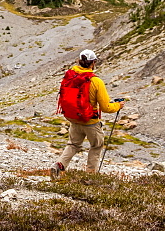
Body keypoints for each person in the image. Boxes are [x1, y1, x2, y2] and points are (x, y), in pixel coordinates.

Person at [49, 49, 124, 180]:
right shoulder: (96, 81)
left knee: (73, 144)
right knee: (96, 146)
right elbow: (106, 107)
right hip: (90, 121)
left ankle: (58, 165)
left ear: (79, 61)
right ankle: (90, 176)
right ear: (93, 63)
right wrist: (118, 106)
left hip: (74, 118)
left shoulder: (71, 75)